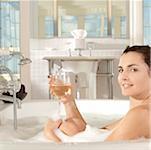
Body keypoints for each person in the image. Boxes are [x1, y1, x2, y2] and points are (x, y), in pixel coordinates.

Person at [44, 45, 151, 143]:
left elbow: (99, 148)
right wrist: (68, 101)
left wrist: (52, 137)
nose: (123, 76)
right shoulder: (138, 113)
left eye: (133, 69)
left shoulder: (142, 114)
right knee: (70, 127)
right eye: (121, 70)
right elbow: (92, 134)